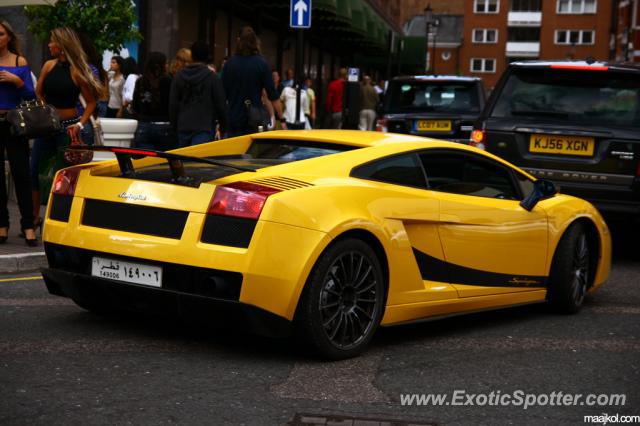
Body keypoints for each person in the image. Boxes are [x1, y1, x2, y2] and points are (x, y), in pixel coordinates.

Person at [31, 27, 101, 227]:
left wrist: (79, 124)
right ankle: (34, 217)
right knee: (35, 168)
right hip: (47, 127)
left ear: (61, 45)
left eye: (52, 41)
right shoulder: (48, 66)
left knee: (64, 176)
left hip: (69, 128)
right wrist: (46, 111)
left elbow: (91, 103)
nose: (49, 45)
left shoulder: (76, 71)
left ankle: (59, 217)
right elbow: (39, 92)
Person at [0, 20, 37, 246]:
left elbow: (30, 96)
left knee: (21, 174)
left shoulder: (18, 61)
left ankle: (28, 226)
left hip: (14, 123)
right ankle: (2, 225)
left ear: (9, 37)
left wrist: (17, 81)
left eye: (1, 34)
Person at [222, 26, 286, 137]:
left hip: (233, 119)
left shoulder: (229, 64)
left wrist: (220, 120)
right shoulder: (262, 64)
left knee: (234, 152)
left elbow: (222, 94)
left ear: (238, 41)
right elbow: (272, 94)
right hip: (255, 119)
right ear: (256, 42)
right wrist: (282, 119)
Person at [169, 41, 227, 147]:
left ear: (192, 55)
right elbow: (221, 104)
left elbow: (173, 105)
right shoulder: (211, 77)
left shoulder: (179, 76)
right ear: (207, 57)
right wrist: (223, 127)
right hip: (204, 127)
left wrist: (174, 126)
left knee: (184, 162)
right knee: (198, 162)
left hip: (183, 127)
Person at [132, 52, 176, 151]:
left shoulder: (140, 81)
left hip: (144, 125)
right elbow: (173, 105)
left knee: (145, 162)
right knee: (164, 162)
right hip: (164, 125)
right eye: (166, 63)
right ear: (161, 65)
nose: (167, 66)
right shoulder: (169, 81)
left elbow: (135, 106)